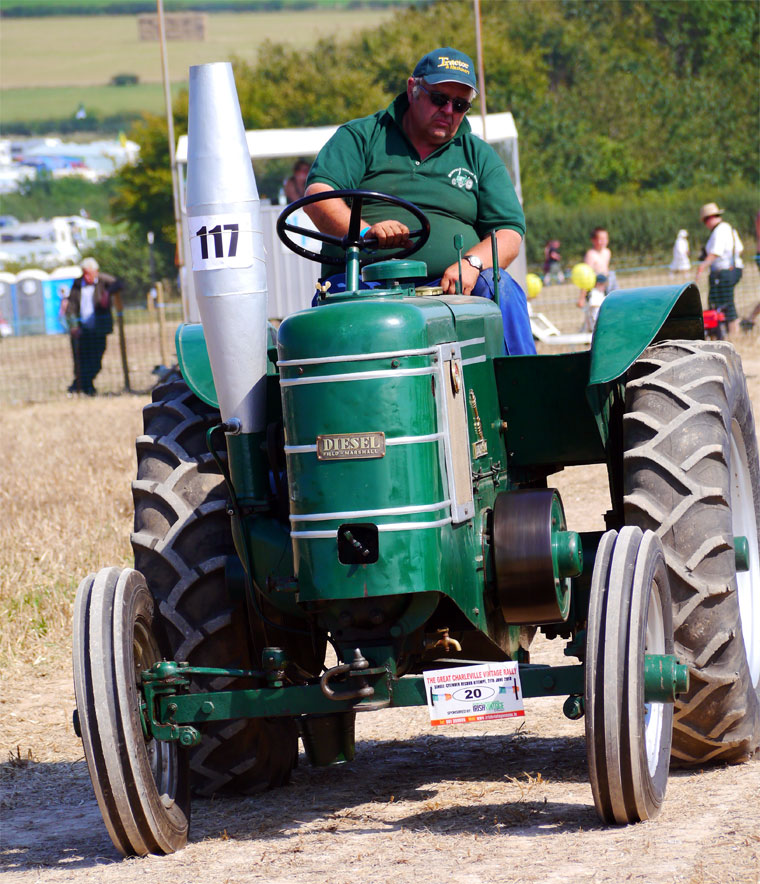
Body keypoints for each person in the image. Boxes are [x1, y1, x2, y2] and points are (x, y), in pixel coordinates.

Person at [302, 47, 534, 356]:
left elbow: (508, 233)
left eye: (460, 105)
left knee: (500, 286)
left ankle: (521, 383)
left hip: (453, 286)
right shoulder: (362, 137)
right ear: (413, 89)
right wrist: (366, 233)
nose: (448, 110)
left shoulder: (478, 156)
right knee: (345, 309)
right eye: (439, 99)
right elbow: (318, 196)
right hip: (366, 282)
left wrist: (472, 264)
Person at [62, 257, 122, 395]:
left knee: (96, 362)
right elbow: (71, 307)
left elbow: (119, 283)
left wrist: (107, 293)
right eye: (85, 273)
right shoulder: (77, 284)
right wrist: (73, 325)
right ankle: (86, 388)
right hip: (82, 329)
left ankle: (78, 387)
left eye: (90, 274)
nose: (87, 277)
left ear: (96, 272)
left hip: (98, 329)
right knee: (81, 361)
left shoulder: (103, 281)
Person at [696, 202, 743, 335]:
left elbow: (716, 252)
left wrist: (702, 266)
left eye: (705, 221)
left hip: (725, 271)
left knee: (726, 302)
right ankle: (726, 330)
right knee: (723, 301)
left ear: (709, 218)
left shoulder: (720, 230)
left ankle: (733, 332)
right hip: (733, 268)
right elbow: (740, 248)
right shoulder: (728, 228)